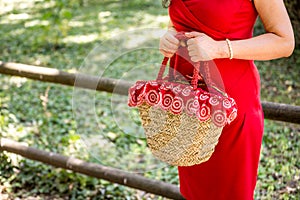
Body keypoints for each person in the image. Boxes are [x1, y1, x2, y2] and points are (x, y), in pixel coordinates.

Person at [159, 0, 294, 199]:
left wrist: (220, 49)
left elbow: (285, 42)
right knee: (194, 193)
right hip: (187, 106)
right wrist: (170, 35)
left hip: (230, 106)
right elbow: (179, 22)